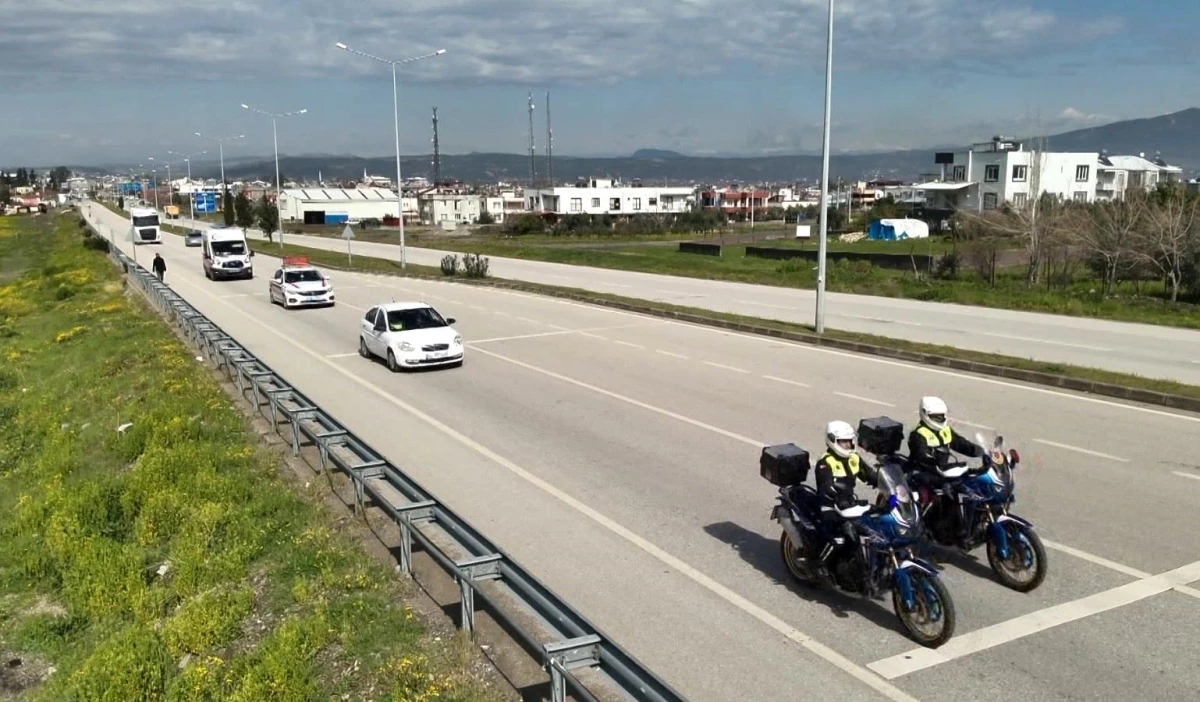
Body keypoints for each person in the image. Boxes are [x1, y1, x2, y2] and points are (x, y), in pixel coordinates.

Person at [906, 396, 984, 543]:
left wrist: (980, 451)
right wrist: (933, 460)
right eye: (936, 416)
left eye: (942, 415)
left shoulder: (945, 430)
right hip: (923, 471)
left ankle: (970, 522)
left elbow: (960, 443)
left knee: (972, 483)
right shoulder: (918, 435)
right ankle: (952, 530)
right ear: (925, 414)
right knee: (948, 491)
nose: (940, 419)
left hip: (945, 471)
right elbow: (921, 455)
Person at [813, 420, 879, 586]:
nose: (849, 445)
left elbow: (870, 475)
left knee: (879, 523)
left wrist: (888, 483)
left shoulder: (854, 458)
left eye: (850, 441)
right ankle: (820, 565)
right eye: (844, 441)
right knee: (847, 532)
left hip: (850, 506)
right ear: (832, 440)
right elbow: (826, 487)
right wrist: (834, 494)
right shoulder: (825, 463)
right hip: (829, 506)